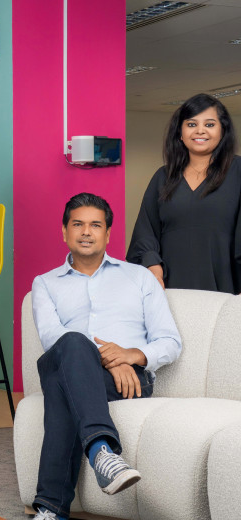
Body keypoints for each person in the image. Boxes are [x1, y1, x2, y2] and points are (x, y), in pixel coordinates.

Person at [29, 193, 181, 520]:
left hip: (130, 381)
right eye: (78, 224)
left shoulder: (140, 277)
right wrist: (109, 359)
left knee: (61, 387)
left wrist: (131, 354)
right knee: (70, 344)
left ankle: (50, 509)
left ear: (108, 234)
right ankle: (102, 452)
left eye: (96, 225)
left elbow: (170, 342)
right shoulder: (45, 284)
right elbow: (52, 338)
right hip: (77, 365)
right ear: (64, 231)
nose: (86, 232)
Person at [127, 93, 241, 294]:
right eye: (191, 124)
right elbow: (146, 233)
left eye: (209, 124)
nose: (200, 130)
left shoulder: (238, 171)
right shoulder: (163, 177)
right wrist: (153, 267)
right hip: (170, 291)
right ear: (180, 132)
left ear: (223, 131)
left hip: (226, 290)